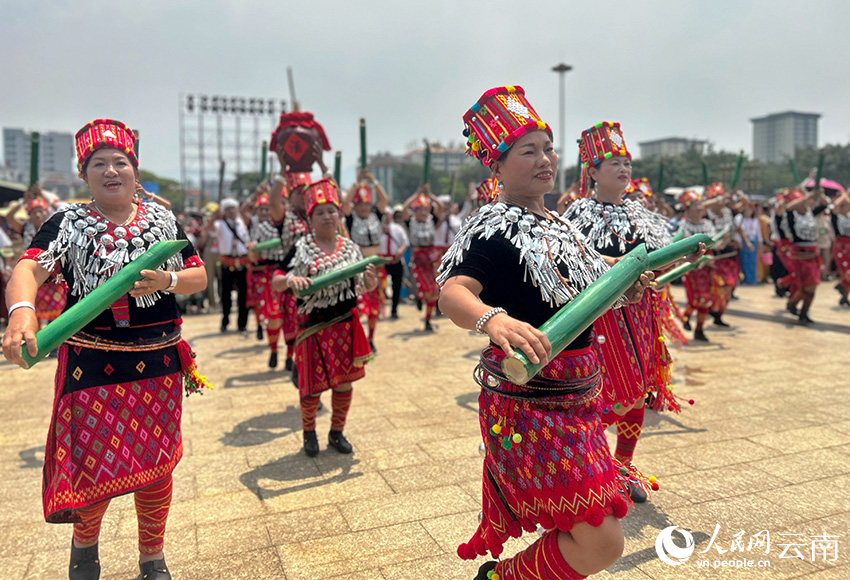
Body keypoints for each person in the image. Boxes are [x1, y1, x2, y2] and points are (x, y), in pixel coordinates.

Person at [439, 87, 653, 580]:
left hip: (578, 396)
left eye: (548, 148)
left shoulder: (558, 223)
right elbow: (453, 293)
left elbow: (591, 275)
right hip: (530, 398)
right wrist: (493, 319)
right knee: (601, 540)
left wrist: (625, 277)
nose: (544, 159)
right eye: (527, 150)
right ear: (496, 165)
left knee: (582, 528)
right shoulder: (492, 226)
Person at [2, 119, 208, 580]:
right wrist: (21, 312)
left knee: (156, 466)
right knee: (93, 468)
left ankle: (152, 557)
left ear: (135, 170)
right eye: (99, 164)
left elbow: (199, 276)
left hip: (158, 362)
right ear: (84, 173)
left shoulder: (163, 221)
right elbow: (28, 269)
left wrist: (167, 280)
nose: (111, 170)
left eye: (121, 162)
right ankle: (85, 553)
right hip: (93, 365)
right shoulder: (68, 223)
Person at [565, 128, 701, 504]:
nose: (624, 168)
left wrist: (684, 255)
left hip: (642, 315)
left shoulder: (641, 213)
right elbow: (574, 265)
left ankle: (622, 468)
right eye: (615, 163)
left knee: (638, 395)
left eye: (627, 163)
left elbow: (658, 260)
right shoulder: (576, 214)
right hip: (603, 316)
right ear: (592, 171)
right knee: (608, 397)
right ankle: (593, 468)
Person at [272, 179, 377, 457]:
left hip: (345, 323)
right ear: (311, 218)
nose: (327, 216)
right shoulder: (301, 247)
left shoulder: (350, 247)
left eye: (332, 211)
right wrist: (292, 279)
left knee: (344, 382)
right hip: (312, 326)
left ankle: (336, 432)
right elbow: (277, 281)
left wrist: (370, 281)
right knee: (311, 387)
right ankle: (309, 434)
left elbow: (363, 286)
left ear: (339, 214)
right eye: (320, 212)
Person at [5, 185, 68, 326]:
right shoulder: (23, 227)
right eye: (34, 212)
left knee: (57, 309)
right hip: (32, 272)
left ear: (46, 213)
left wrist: (42, 195)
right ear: (29, 215)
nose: (38, 215)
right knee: (35, 309)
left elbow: (63, 211)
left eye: (41, 211)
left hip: (52, 274)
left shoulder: (53, 226)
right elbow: (9, 216)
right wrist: (23, 202)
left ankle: (56, 342)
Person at [343, 168, 389, 350]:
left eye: (367, 205)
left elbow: (384, 200)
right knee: (360, 306)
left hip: (375, 266)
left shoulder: (375, 216)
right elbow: (345, 203)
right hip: (358, 267)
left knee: (374, 307)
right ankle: (358, 338)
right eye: (360, 205)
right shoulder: (351, 218)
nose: (364, 208)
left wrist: (373, 181)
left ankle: (370, 338)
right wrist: (357, 182)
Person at [246, 187, 288, 367]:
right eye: (263, 209)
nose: (266, 212)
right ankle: (274, 350)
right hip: (268, 276)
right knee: (274, 315)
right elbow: (252, 256)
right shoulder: (257, 227)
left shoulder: (289, 223)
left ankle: (290, 356)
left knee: (292, 315)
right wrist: (253, 249)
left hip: (290, 273)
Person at [677, 189, 717, 342]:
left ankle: (699, 328)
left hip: (707, 267)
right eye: (695, 204)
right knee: (695, 299)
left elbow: (714, 243)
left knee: (706, 299)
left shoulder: (708, 224)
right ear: (688, 208)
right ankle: (685, 317)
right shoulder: (683, 226)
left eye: (700, 204)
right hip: (690, 267)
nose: (700, 207)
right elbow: (680, 245)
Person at [402, 185, 444, 331]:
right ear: (415, 210)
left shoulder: (432, 221)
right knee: (426, 288)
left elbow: (441, 206)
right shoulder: (410, 221)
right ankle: (420, 297)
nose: (423, 212)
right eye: (420, 209)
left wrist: (430, 194)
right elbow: (404, 208)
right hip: (419, 259)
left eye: (426, 209)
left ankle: (427, 319)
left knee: (434, 290)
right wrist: (416, 193)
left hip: (432, 258)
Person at [785, 186, 829, 323]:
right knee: (807, 286)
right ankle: (796, 306)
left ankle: (800, 308)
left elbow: (825, 204)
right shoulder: (792, 215)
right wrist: (808, 196)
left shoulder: (810, 213)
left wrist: (819, 194)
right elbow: (789, 206)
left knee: (813, 285)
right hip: (800, 255)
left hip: (812, 254)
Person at [209, 197, 251, 333]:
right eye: (228, 209)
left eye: (233, 208)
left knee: (243, 295)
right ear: (224, 211)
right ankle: (225, 321)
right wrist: (216, 214)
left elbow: (246, 210)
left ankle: (242, 324)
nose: (232, 211)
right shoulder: (220, 225)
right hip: (227, 262)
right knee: (225, 294)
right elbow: (209, 227)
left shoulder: (242, 222)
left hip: (243, 262)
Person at [380, 209, 409, 319]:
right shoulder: (377, 229)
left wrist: (400, 251)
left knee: (396, 287)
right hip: (383, 263)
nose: (386, 218)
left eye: (388, 215)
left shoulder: (397, 228)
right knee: (380, 287)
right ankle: (379, 309)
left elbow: (405, 242)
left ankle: (394, 310)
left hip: (396, 261)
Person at [831, 191, 850, 306]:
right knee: (847, 271)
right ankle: (842, 285)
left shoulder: (849, 217)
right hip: (841, 246)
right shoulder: (836, 216)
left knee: (847, 272)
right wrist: (845, 195)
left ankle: (844, 296)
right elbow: (834, 206)